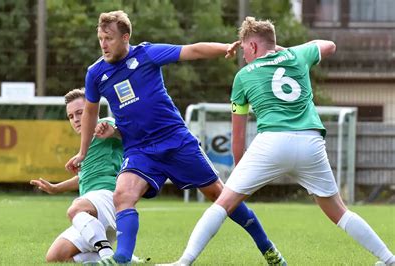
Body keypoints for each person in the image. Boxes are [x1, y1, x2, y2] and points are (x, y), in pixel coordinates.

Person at [163, 17, 395, 266]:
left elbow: (238, 135)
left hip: (271, 141)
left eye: (244, 50)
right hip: (310, 141)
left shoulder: (242, 77)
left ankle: (184, 261)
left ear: (252, 47)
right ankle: (389, 259)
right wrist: (283, 51)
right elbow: (329, 45)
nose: (244, 56)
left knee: (223, 204)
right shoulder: (297, 56)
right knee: (339, 212)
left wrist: (242, 169)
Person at [65, 10, 286, 265]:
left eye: (109, 38)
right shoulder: (95, 73)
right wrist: (83, 152)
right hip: (139, 149)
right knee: (123, 194)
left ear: (125, 37)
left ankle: (268, 249)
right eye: (100, 38)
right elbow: (91, 111)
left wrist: (225, 47)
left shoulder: (146, 54)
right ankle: (122, 258)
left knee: (221, 196)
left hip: (175, 139)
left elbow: (191, 50)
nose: (103, 44)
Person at [30, 88, 143, 264]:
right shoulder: (85, 144)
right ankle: (125, 259)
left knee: (75, 208)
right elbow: (83, 178)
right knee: (55, 257)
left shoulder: (104, 124)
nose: (75, 119)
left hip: (109, 198)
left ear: (92, 110)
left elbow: (127, 132)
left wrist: (113, 131)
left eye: (79, 113)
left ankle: (106, 255)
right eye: (70, 116)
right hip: (93, 217)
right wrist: (55, 188)